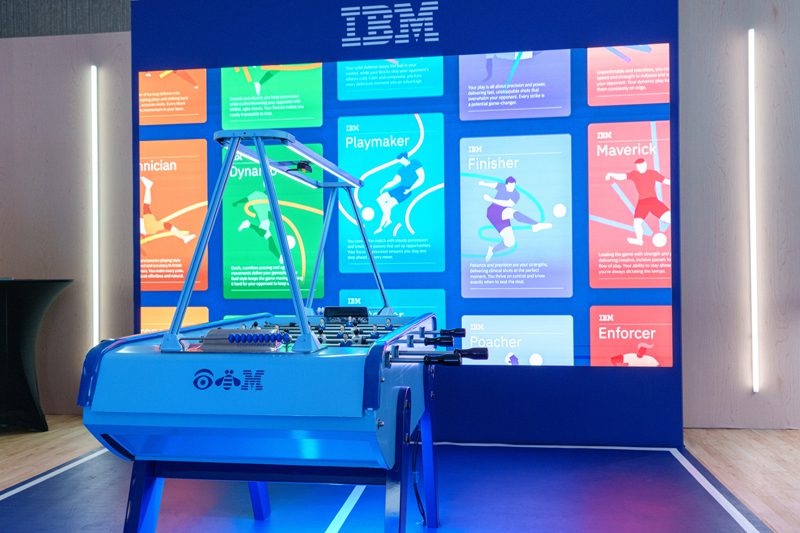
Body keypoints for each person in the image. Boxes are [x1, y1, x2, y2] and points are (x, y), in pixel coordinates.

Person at [481, 176, 551, 262]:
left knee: (510, 242)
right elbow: (493, 185)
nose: (512, 188)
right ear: (506, 185)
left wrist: (491, 199)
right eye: (510, 186)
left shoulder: (516, 194)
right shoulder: (501, 186)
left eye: (514, 186)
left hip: (503, 215)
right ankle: (536, 225)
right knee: (511, 212)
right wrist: (484, 184)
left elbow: (508, 203)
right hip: (493, 212)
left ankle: (492, 251)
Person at [605, 158, 671, 246]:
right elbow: (623, 176)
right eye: (638, 166)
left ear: (645, 164)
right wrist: (611, 174)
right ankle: (639, 240)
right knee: (636, 222)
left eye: (641, 165)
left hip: (652, 200)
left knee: (668, 218)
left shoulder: (652, 173)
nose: (640, 167)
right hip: (642, 202)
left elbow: (666, 181)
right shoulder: (634, 174)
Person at [234, 191, 295, 264]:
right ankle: (249, 224)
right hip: (264, 220)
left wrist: (237, 202)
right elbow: (247, 199)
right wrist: (237, 202)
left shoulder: (267, 199)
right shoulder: (259, 195)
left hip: (264, 220)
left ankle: (279, 257)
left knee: (269, 239)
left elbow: (268, 214)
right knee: (263, 234)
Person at [374, 152, 425, 235]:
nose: (399, 162)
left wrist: (410, 189)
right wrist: (384, 187)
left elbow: (421, 179)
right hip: (400, 188)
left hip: (406, 190)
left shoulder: (415, 163)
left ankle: (380, 227)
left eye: (400, 160)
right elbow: (394, 181)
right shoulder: (401, 169)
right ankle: (388, 219)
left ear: (404, 158)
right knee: (380, 199)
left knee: (388, 206)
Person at [139, 176, 196, 244]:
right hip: (147, 226)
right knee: (146, 207)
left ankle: (184, 238)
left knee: (166, 225)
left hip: (148, 228)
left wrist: (144, 237)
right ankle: (148, 186)